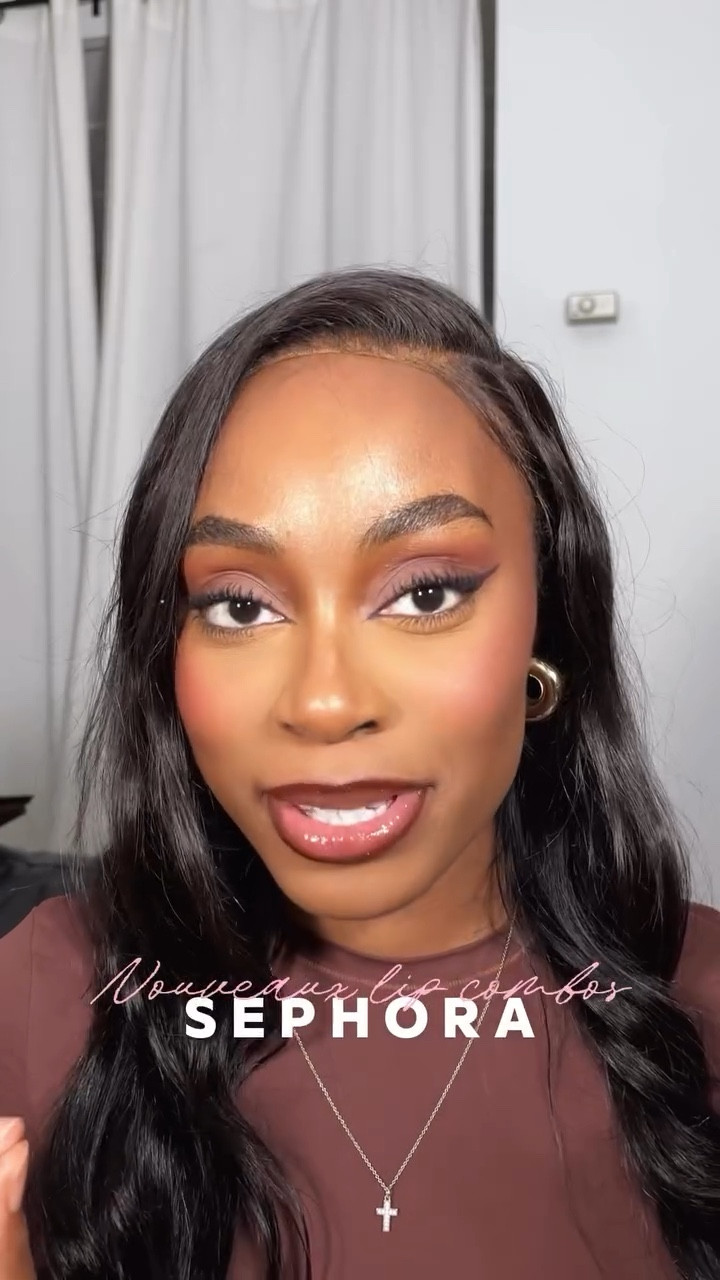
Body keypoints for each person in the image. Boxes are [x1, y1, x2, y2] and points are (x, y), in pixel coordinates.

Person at [0, 267, 718, 1280]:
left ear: (545, 627)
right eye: (240, 605)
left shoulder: (699, 997)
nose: (326, 701)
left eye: (425, 593)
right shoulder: (51, 991)